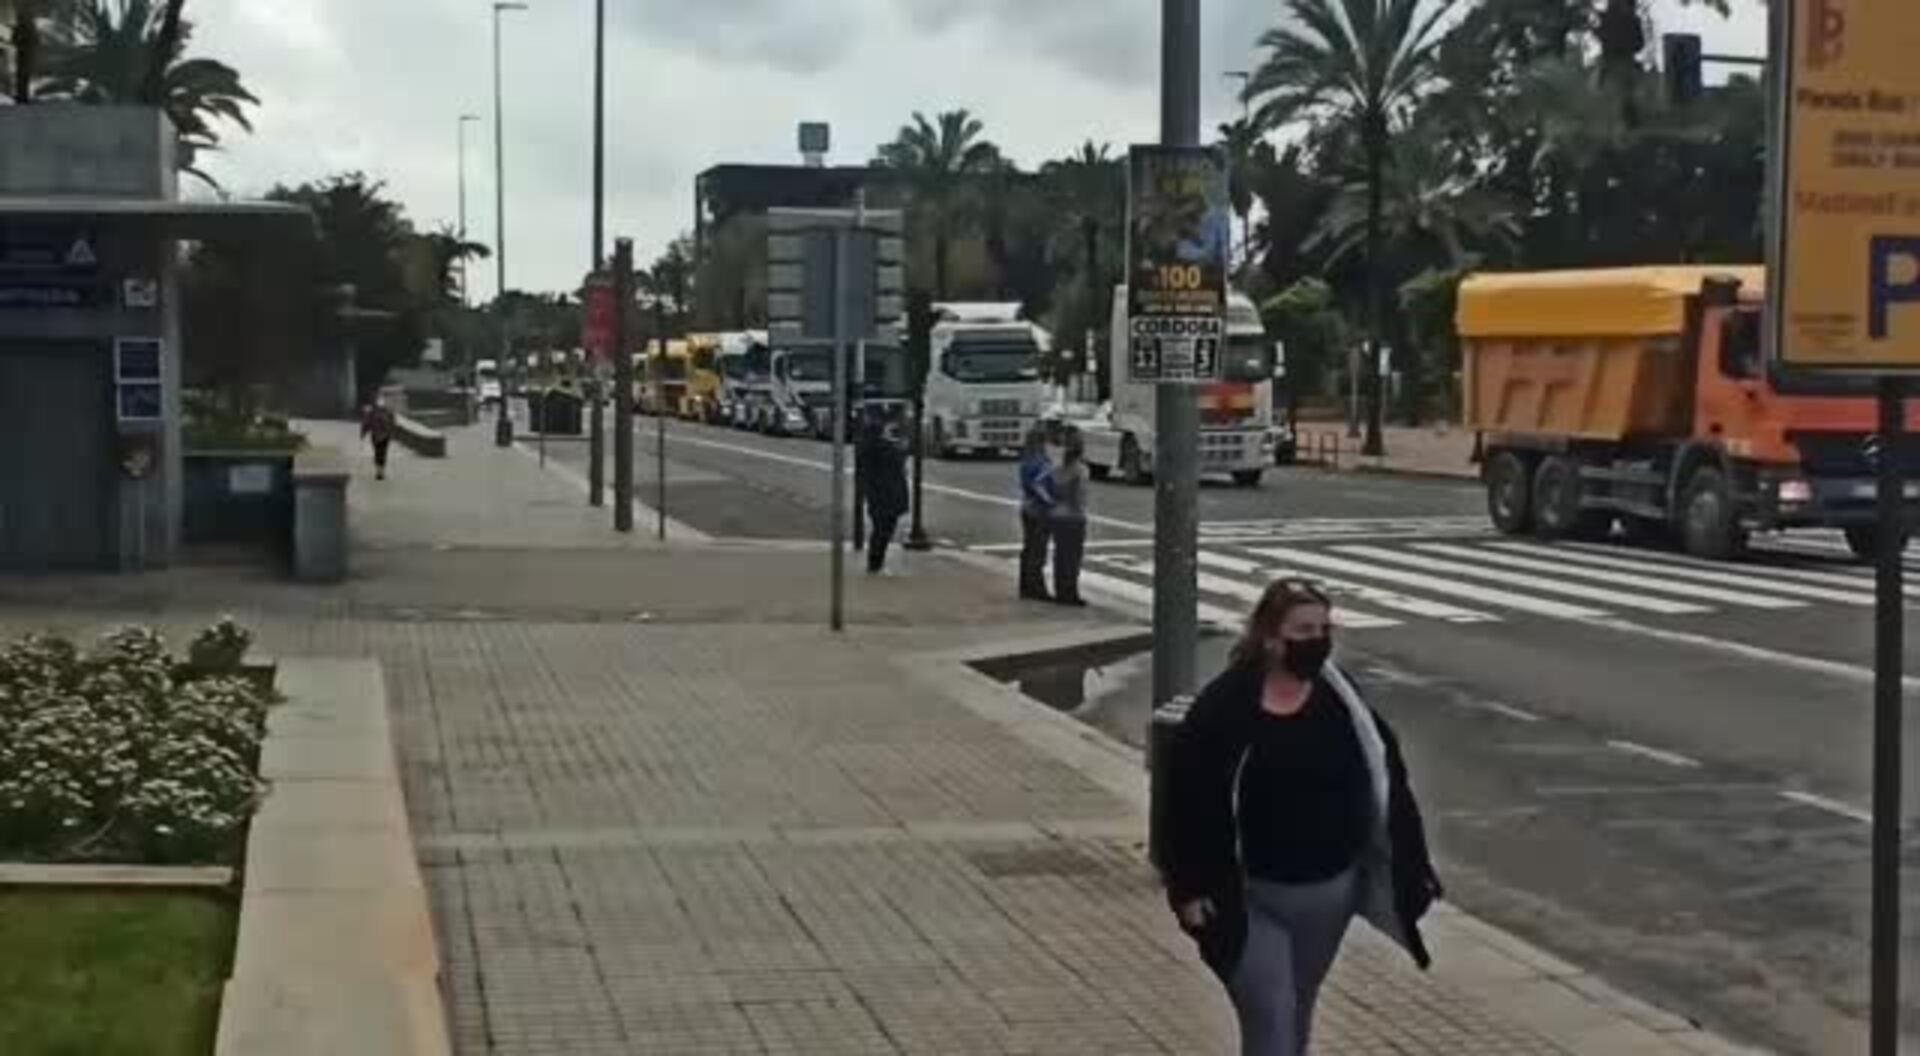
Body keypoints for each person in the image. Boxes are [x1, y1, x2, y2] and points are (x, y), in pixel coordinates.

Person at [1160, 579, 1443, 1056]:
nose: (1317, 640)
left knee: (1296, 1010)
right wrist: (1188, 888)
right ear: (1270, 638)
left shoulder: (1340, 700)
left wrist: (1412, 864)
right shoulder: (1224, 709)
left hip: (1327, 895)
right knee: (1270, 1012)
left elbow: (1385, 781)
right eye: (1303, 630)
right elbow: (1185, 801)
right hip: (1246, 897)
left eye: (1324, 628)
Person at [858, 406, 910, 575]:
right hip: (882, 492)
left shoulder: (883, 445)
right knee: (882, 529)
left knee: (884, 528)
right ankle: (875, 564)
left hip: (886, 492)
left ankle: (876, 563)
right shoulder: (877, 446)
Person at [1049, 427, 1089, 607]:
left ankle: (1060, 591)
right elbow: (1078, 496)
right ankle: (1070, 593)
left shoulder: (1057, 469)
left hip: (1056, 515)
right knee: (1072, 557)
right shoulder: (1080, 470)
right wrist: (1080, 510)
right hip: (1073, 517)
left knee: (1060, 555)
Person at [1017, 423, 1057, 600]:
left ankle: (1025, 585)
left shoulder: (1026, 461)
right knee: (1038, 551)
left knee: (1028, 548)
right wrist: (1050, 500)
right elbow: (1038, 484)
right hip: (1039, 510)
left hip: (1026, 507)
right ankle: (1037, 588)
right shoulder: (1042, 462)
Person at [361, 398, 396, 481]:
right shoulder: (388, 412)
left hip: (376, 436)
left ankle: (379, 471)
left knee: (378, 452)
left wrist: (363, 434)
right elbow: (393, 424)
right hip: (384, 437)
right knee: (382, 452)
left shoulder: (373, 412)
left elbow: (366, 423)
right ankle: (381, 471)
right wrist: (392, 434)